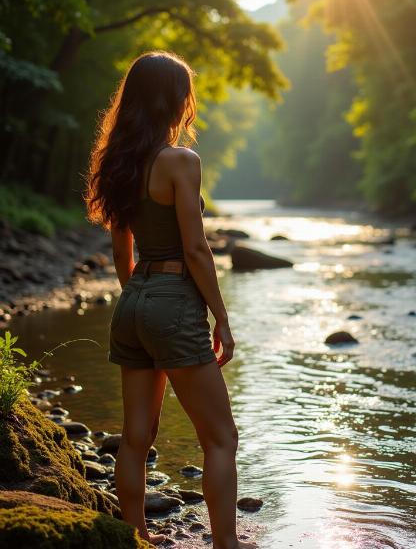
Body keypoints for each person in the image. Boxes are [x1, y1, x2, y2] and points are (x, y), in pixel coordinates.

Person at [85, 50, 256, 549]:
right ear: (174, 100)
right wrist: (221, 319)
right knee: (221, 439)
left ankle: (135, 537)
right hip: (174, 299)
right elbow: (197, 249)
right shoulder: (181, 162)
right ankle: (226, 542)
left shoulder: (118, 164)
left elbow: (122, 248)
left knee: (135, 437)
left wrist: (138, 299)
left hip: (134, 298)